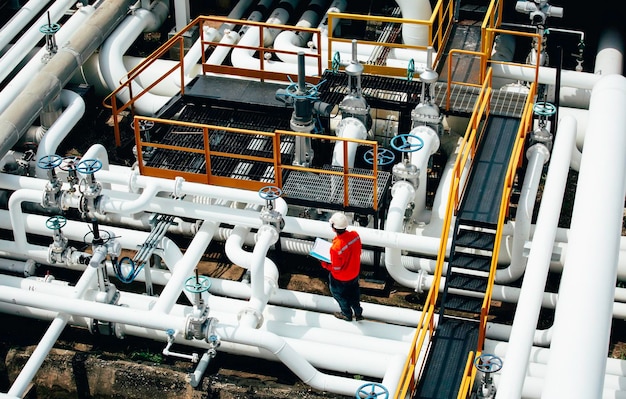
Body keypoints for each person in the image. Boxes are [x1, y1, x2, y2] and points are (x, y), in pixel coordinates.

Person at [320, 212, 364, 321]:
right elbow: (358, 251)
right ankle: (358, 313)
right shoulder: (355, 235)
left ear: (333, 228)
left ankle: (346, 314)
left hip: (341, 278)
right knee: (354, 294)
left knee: (340, 295)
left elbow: (336, 269)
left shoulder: (336, 247)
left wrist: (324, 264)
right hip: (354, 273)